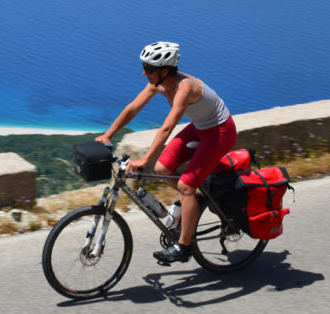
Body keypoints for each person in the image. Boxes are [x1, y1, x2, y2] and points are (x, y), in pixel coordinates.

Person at [95, 41, 236, 264]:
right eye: (144, 67)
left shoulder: (185, 88)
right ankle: (196, 203)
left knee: (186, 186)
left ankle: (184, 247)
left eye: (149, 69)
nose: (144, 73)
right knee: (162, 169)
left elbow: (167, 128)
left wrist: (144, 160)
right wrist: (108, 134)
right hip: (200, 128)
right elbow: (132, 108)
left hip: (220, 132)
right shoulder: (159, 84)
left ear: (165, 70)